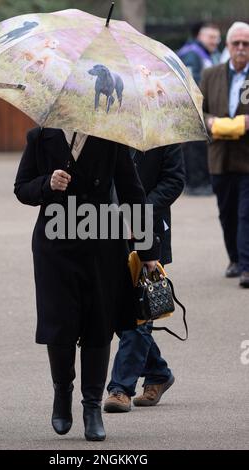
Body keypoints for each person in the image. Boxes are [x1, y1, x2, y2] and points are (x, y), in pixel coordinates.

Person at [14, 127, 160, 441]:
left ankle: (91, 406)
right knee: (60, 327)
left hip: (102, 244)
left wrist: (148, 250)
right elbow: (22, 188)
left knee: (99, 326)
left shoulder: (110, 137)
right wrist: (47, 184)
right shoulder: (40, 136)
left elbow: (132, 191)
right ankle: (62, 392)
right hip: (55, 244)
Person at [104, 144, 185, 412]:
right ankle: (158, 373)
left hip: (149, 234)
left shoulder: (163, 133)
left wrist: (138, 213)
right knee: (119, 314)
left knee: (139, 312)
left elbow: (174, 180)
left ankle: (120, 389)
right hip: (105, 230)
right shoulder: (105, 131)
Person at [200, 22, 249, 287]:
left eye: (246, 44)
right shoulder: (211, 74)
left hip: (246, 158)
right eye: (236, 43)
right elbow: (200, 109)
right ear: (228, 46)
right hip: (219, 156)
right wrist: (209, 122)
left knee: (245, 214)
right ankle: (234, 258)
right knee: (227, 213)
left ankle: (246, 266)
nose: (241, 48)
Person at [178, 22, 221, 196]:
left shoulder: (206, 54)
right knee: (194, 145)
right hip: (190, 108)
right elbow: (191, 84)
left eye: (217, 38)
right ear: (200, 36)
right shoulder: (192, 54)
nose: (215, 41)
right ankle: (195, 184)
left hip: (202, 108)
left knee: (201, 145)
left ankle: (201, 181)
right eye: (211, 37)